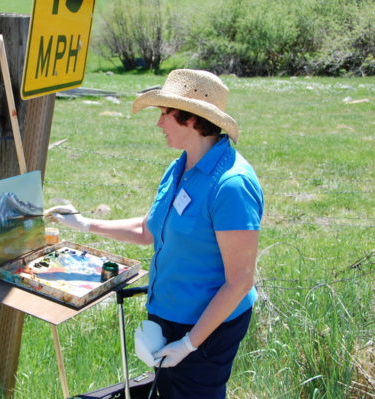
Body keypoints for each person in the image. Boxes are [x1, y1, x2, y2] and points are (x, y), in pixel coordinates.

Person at [46, 69, 264, 398]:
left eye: (165, 114)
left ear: (191, 119)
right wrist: (83, 223)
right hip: (170, 317)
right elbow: (148, 229)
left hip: (206, 329)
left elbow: (239, 282)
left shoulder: (231, 184)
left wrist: (189, 344)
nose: (159, 123)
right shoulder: (180, 167)